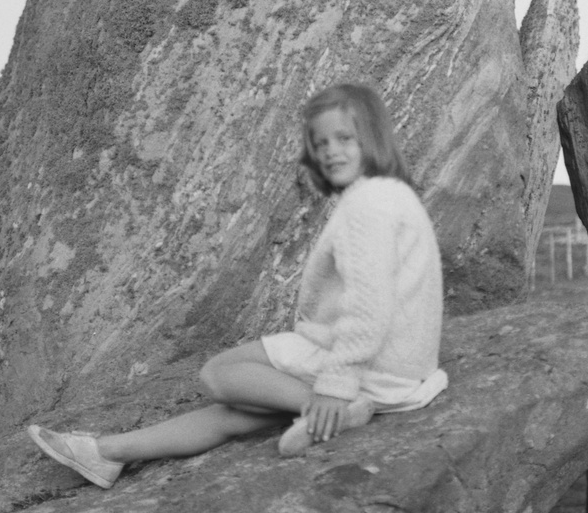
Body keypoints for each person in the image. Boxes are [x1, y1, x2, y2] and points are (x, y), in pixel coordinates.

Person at [28, 82, 446, 486]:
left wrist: (335, 391)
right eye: (321, 144)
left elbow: (369, 306)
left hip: (370, 373)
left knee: (219, 374)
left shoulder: (366, 207)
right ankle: (106, 454)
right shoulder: (389, 194)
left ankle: (331, 410)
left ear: (372, 138)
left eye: (344, 138)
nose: (331, 152)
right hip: (402, 373)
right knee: (235, 411)